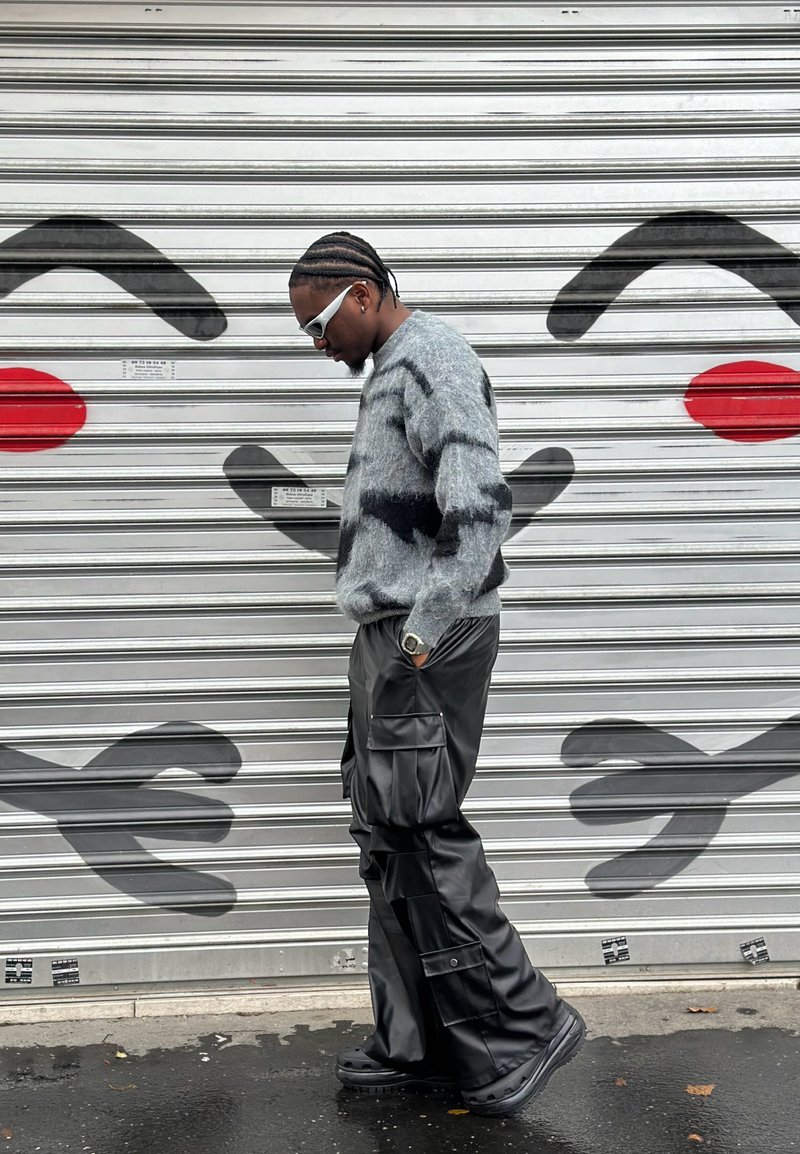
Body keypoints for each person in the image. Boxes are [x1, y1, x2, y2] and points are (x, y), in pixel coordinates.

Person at [288, 232, 585, 1117]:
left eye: (320, 325)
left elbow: (481, 517)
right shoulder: (391, 366)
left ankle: (522, 1027)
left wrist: (418, 641)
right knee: (385, 837)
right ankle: (417, 1042)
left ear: (366, 294)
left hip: (426, 639)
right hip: (391, 634)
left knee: (420, 827)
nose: (317, 344)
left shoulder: (435, 360)